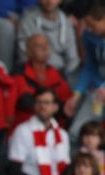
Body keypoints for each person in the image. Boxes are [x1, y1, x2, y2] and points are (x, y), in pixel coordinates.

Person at [7, 88, 70, 175]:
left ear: (55, 107)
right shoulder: (23, 131)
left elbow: (65, 168)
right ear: (34, 106)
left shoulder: (62, 135)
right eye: (39, 102)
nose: (42, 106)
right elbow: (13, 170)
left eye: (47, 103)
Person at [12, 33, 71, 128]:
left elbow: (66, 106)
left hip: (53, 129)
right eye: (38, 46)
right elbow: (24, 103)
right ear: (28, 52)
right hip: (25, 127)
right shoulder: (18, 74)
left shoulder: (57, 74)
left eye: (47, 45)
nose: (45, 49)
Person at [65, 5, 105, 140]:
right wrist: (77, 94)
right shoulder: (89, 36)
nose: (88, 28)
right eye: (86, 24)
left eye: (92, 24)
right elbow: (90, 66)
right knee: (77, 132)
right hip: (98, 94)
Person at [17, 0, 78, 75]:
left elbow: (72, 58)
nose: (49, 1)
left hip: (61, 74)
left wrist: (64, 76)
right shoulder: (27, 20)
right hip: (34, 73)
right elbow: (24, 56)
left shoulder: (66, 22)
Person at [0, 0, 33, 73]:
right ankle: (6, 72)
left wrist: (20, 18)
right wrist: (6, 15)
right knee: (7, 27)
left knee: (29, 23)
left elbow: (28, 6)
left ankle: (29, 72)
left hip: (15, 16)